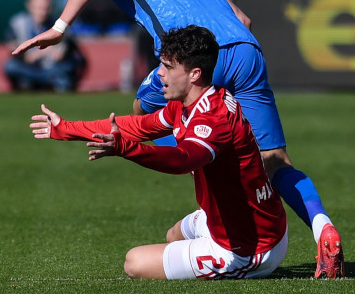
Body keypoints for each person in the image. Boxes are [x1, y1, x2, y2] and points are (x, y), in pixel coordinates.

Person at [12, 0, 343, 278]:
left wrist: (60, 27)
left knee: (144, 110)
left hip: (194, 57)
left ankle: (204, 162)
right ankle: (322, 227)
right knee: (276, 159)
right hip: (245, 48)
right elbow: (243, 17)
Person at [29, 26, 288, 279]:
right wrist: (65, 128)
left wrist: (124, 148)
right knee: (173, 235)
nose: (159, 74)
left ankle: (236, 265)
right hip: (247, 218)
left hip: (249, 247)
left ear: (195, 74)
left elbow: (183, 160)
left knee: (135, 262)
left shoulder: (212, 119)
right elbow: (137, 125)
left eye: (168, 66)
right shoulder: (190, 102)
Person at [3, 0, 84, 92]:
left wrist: (38, 54)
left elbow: (61, 54)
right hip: (28, 68)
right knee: (10, 66)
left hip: (52, 68)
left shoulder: (59, 24)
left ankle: (50, 84)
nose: (43, 13)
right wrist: (40, 53)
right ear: (29, 6)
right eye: (39, 8)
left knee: (71, 65)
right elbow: (15, 50)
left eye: (47, 8)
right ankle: (31, 84)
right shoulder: (18, 23)